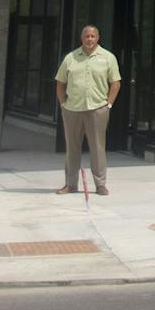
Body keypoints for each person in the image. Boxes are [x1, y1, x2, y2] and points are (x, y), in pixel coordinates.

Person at [54, 25, 122, 195]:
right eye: (86, 36)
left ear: (98, 38)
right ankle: (70, 184)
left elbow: (115, 83)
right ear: (81, 38)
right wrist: (63, 105)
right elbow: (60, 84)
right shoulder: (70, 58)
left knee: (97, 148)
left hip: (97, 109)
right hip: (72, 110)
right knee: (72, 148)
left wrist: (108, 104)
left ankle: (100, 184)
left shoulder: (108, 58)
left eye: (92, 36)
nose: (89, 39)